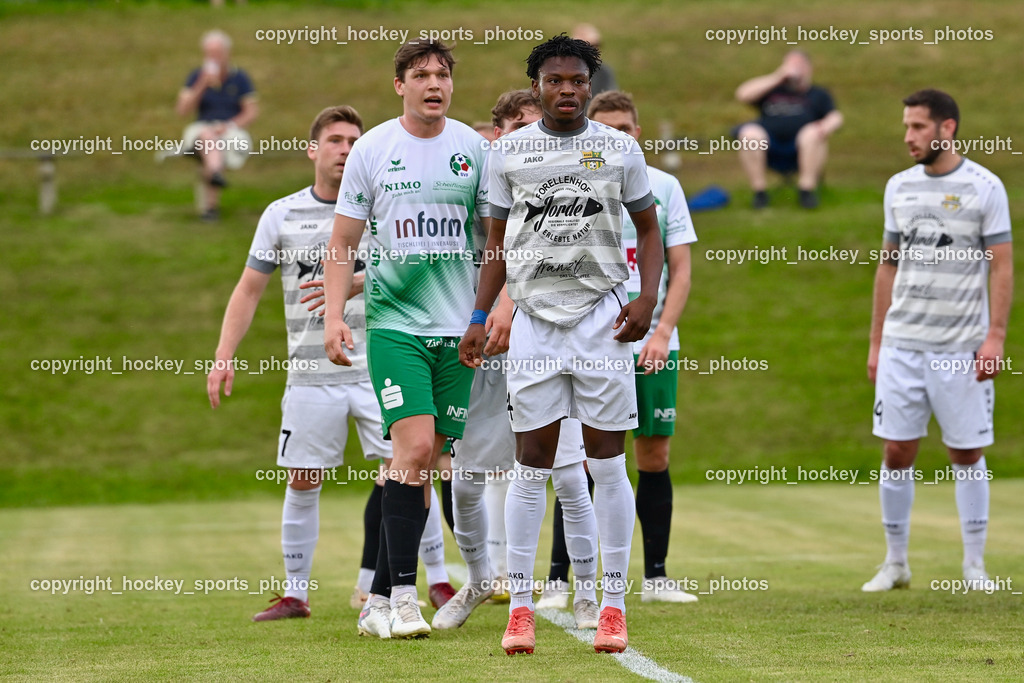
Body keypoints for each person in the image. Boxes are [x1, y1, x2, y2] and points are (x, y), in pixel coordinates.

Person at [460, 35, 664, 655]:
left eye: (578, 79)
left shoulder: (619, 148)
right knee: (531, 465)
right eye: (555, 80)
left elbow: (650, 228)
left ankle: (612, 606)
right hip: (534, 324)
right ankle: (519, 607)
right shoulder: (510, 152)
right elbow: (495, 244)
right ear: (537, 85)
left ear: (591, 84)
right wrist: (478, 313)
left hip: (601, 320)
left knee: (605, 463)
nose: (568, 89)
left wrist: (647, 298)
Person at [323, 39, 488, 640]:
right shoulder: (373, 149)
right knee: (414, 450)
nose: (433, 83)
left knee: (429, 460)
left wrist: (491, 311)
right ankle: (398, 597)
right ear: (400, 85)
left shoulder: (472, 149)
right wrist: (335, 315)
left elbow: (492, 241)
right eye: (420, 75)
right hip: (395, 326)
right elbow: (342, 243)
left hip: (458, 332)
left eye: (442, 74)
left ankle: (382, 601)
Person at [431, 89, 600, 633]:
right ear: (497, 136)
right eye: (517, 128)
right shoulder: (471, 183)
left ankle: (587, 594)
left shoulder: (560, 185)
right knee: (467, 475)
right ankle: (481, 580)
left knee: (570, 475)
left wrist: (504, 306)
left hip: (545, 340)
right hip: (477, 344)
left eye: (535, 125)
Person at [538, 90, 699, 607]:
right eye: (606, 128)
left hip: (650, 338)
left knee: (653, 453)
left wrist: (663, 331)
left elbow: (680, 268)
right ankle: (561, 579)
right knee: (582, 456)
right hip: (588, 338)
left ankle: (655, 576)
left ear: (638, 132)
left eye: (626, 129)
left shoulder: (665, 186)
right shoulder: (573, 181)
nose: (617, 137)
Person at [863, 89, 1012, 592]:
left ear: (946, 129)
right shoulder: (898, 187)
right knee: (897, 450)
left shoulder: (985, 187)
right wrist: (876, 343)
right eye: (906, 127)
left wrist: (995, 337)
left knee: (966, 453)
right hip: (903, 345)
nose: (908, 137)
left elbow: (1003, 266)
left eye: (918, 127)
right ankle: (896, 562)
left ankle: (974, 566)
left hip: (960, 348)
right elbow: (886, 267)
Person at [734, 50, 842, 209]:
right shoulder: (771, 90)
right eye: (790, 65)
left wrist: (825, 127)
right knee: (749, 134)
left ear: (808, 68)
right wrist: (777, 77)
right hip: (769, 147)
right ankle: (760, 193)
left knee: (812, 134)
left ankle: (806, 191)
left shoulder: (818, 94)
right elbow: (742, 94)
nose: (794, 69)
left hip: (803, 148)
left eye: (798, 65)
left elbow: (835, 116)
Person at [176, 29, 259, 221]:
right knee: (208, 136)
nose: (213, 58)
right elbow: (183, 110)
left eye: (217, 53)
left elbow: (251, 111)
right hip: (201, 129)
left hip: (230, 130)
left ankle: (209, 208)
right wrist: (202, 84)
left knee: (214, 143)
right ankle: (215, 177)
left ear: (227, 53)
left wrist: (229, 125)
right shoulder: (196, 76)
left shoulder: (239, 78)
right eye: (209, 54)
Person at [571, 24, 618, 96]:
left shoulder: (604, 72)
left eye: (597, 45)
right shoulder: (563, 72)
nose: (594, 50)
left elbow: (612, 99)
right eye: (588, 46)